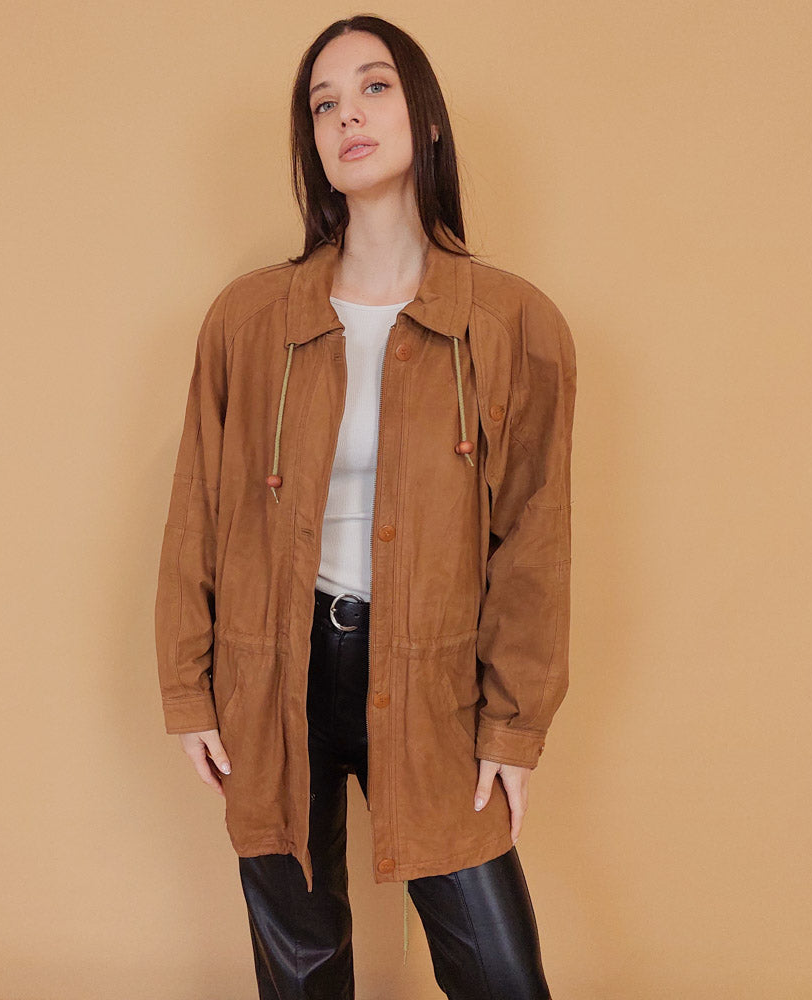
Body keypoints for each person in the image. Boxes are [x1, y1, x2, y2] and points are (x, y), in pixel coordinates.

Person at [153, 15, 577, 1000]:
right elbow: (198, 505)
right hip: (273, 670)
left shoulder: (511, 323)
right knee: (301, 973)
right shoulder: (249, 320)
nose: (347, 115)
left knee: (501, 975)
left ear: (424, 116)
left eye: (374, 87)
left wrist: (513, 727)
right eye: (324, 103)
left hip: (431, 677)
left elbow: (534, 539)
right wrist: (188, 689)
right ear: (311, 141)